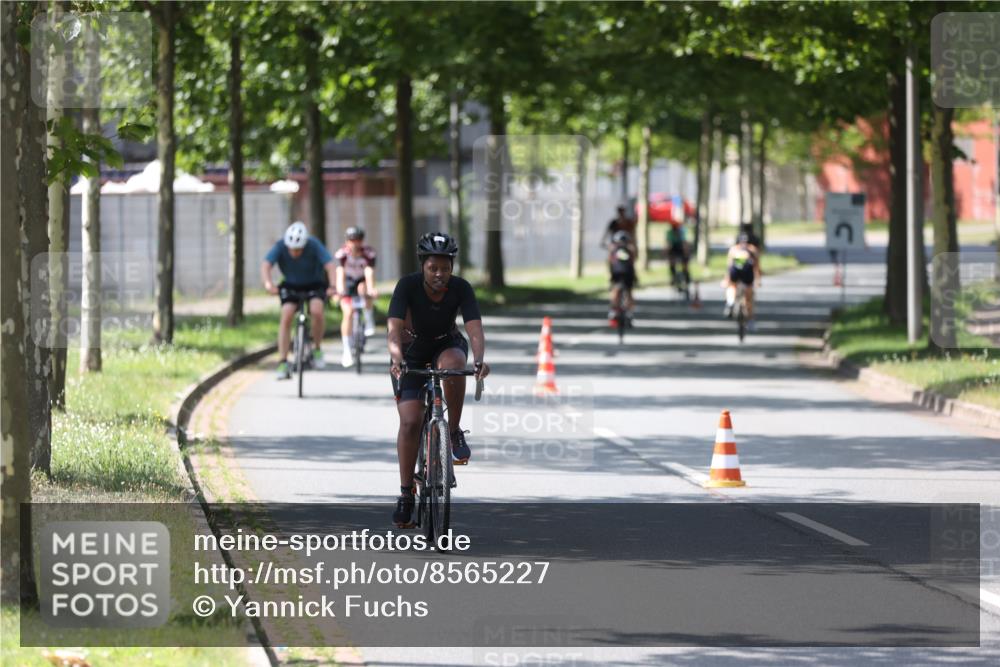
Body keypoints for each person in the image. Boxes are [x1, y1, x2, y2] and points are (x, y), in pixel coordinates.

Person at [387, 232, 490, 528]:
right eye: (433, 268)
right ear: (423, 266)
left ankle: (453, 430)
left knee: (454, 365)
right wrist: (397, 358)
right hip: (411, 352)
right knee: (410, 421)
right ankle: (407, 494)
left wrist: (480, 359)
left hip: (447, 344)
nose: (439, 274)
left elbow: (474, 330)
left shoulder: (461, 288)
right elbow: (393, 330)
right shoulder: (406, 286)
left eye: (445, 268)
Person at [261, 221, 337, 379]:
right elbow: (266, 264)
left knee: (317, 311)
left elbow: (330, 265)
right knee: (286, 315)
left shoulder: (314, 244)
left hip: (314, 285)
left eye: (298, 250)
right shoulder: (281, 245)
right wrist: (269, 284)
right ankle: (282, 361)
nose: (295, 253)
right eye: (292, 250)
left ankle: (316, 348)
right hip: (291, 285)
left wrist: (333, 286)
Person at [334, 226, 378, 367]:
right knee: (347, 314)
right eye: (351, 240)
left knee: (363, 288)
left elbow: (369, 272)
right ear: (347, 241)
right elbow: (340, 272)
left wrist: (371, 289)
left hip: (361, 281)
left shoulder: (368, 253)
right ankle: (347, 350)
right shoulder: (342, 254)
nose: (355, 243)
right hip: (347, 283)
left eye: (358, 240)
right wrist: (340, 290)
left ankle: (369, 318)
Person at [723, 231, 762, 329]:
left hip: (735, 271)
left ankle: (730, 302)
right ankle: (750, 320)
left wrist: (726, 280)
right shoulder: (753, 249)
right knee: (749, 297)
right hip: (747, 273)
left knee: (732, 286)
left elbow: (729, 267)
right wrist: (758, 279)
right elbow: (756, 267)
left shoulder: (733, 249)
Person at [607, 230, 637, 322]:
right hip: (628, 273)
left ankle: (613, 310)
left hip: (617, 273)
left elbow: (610, 263)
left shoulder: (613, 250)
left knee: (615, 291)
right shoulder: (630, 250)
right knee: (629, 292)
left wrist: (610, 275)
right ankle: (629, 312)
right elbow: (632, 262)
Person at [666, 221, 691, 288]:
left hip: (681, 248)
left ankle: (687, 276)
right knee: (672, 262)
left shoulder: (681, 232)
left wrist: (686, 253)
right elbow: (668, 244)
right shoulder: (670, 233)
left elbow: (684, 243)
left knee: (685, 263)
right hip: (673, 248)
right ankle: (673, 277)